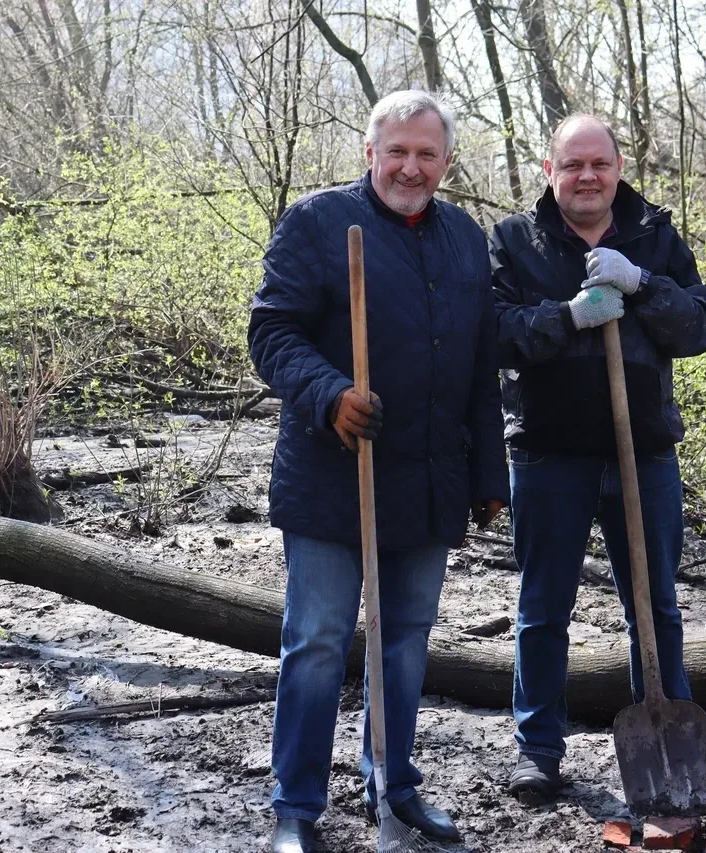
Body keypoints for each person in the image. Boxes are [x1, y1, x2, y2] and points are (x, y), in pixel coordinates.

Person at [248, 90, 508, 853]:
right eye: (397, 151)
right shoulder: (318, 223)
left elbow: (479, 368)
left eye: (426, 154)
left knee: (405, 640)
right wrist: (330, 394)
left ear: (446, 162)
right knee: (318, 640)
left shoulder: (466, 241)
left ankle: (392, 783)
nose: (410, 167)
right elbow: (271, 331)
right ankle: (296, 805)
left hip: (428, 481)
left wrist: (488, 475)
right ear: (370, 153)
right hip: (333, 475)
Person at [488, 114, 706, 801]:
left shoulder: (654, 236)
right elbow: (493, 336)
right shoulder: (513, 241)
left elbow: (702, 328)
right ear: (549, 171)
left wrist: (643, 283)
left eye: (599, 164)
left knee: (656, 604)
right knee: (543, 609)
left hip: (642, 452)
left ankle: (667, 723)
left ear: (619, 168)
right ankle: (538, 748)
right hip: (546, 453)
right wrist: (567, 316)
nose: (586, 176)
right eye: (572, 164)